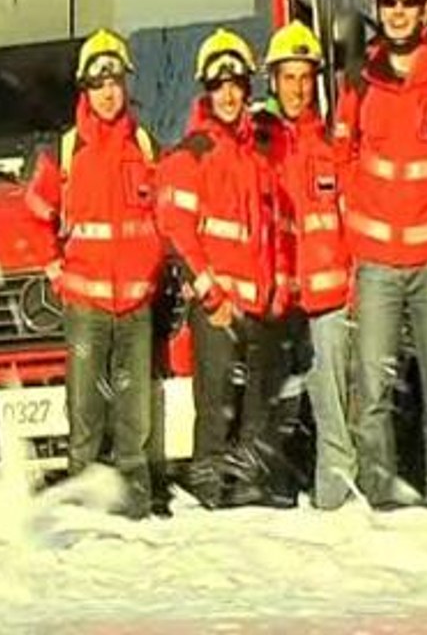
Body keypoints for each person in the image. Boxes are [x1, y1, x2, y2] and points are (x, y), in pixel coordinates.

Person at [25, 29, 165, 519]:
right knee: (84, 411)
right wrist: (55, 268)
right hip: (85, 306)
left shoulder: (146, 147)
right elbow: (37, 213)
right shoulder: (66, 151)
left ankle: (136, 505)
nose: (109, 92)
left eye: (116, 81)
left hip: (135, 308)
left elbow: (164, 217)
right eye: (99, 82)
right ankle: (84, 503)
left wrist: (152, 272)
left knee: (134, 415)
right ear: (84, 89)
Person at [155, 28, 292, 509]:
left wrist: (276, 288)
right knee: (215, 409)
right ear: (206, 92)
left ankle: (249, 495)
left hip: (257, 306)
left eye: (237, 84)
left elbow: (267, 230)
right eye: (220, 85)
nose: (230, 94)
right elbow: (176, 228)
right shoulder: (191, 153)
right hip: (218, 310)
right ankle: (210, 494)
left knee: (254, 408)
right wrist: (210, 294)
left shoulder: (256, 156)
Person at [335, 0, 427, 509]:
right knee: (371, 390)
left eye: (409, 0)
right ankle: (383, 503)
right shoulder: (359, 78)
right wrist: (360, 220)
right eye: (389, 1)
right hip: (376, 263)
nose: (398, 11)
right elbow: (341, 153)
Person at [260, 21, 357, 510]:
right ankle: (273, 511)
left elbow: (351, 221)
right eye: (288, 76)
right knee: (272, 414)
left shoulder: (331, 149)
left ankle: (335, 507)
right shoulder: (258, 147)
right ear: (273, 81)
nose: (297, 87)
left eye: (305, 77)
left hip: (327, 304)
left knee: (333, 415)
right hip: (276, 304)